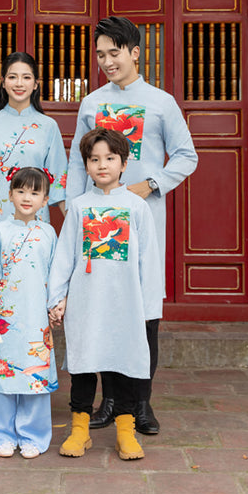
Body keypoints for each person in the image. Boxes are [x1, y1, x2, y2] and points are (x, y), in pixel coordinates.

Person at [65, 17, 198, 435]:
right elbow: (74, 163)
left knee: (142, 315)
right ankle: (108, 403)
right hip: (98, 223)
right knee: (100, 311)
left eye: (114, 52)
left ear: (135, 52)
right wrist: (74, 211)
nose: (106, 61)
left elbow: (186, 155)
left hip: (141, 224)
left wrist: (149, 184)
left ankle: (141, 403)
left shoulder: (161, 103)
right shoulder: (91, 104)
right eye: (100, 54)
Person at [0, 52, 67, 411]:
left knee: (31, 305)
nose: (19, 83)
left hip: (35, 227)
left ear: (36, 84)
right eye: (12, 77)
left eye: (26, 77)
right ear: (3, 83)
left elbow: (58, 183)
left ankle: (31, 384)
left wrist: (73, 229)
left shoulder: (48, 128)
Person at [48, 127, 162, 460]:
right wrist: (57, 298)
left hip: (125, 302)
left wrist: (148, 306)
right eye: (94, 159)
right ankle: (79, 430)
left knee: (122, 365)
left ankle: (125, 433)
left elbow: (148, 260)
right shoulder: (80, 207)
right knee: (83, 366)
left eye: (110, 158)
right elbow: (64, 256)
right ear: (85, 166)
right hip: (86, 301)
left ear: (124, 164)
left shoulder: (136, 208)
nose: (102, 165)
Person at [0, 167, 58, 459]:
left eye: (35, 193)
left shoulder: (48, 233)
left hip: (36, 316)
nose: (27, 197)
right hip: (4, 317)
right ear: (10, 195)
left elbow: (56, 273)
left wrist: (57, 304)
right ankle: (0, 434)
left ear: (45, 200)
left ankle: (33, 435)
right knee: (3, 373)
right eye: (21, 191)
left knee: (34, 375)